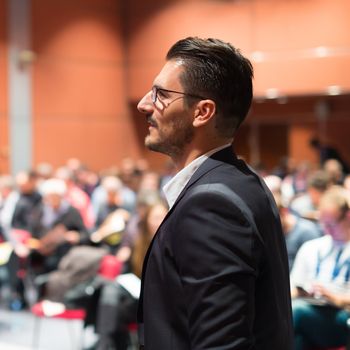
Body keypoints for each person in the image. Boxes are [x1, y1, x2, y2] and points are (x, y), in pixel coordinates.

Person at [136, 37, 294, 349]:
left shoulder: (210, 204)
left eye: (161, 94)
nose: (144, 104)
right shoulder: (244, 179)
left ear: (203, 112)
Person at [291, 186, 350, 349]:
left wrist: (335, 297)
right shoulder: (312, 247)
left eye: (331, 224)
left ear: (348, 216)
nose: (326, 229)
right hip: (310, 307)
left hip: (342, 315)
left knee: (296, 312)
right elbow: (293, 285)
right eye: (322, 223)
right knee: (296, 327)